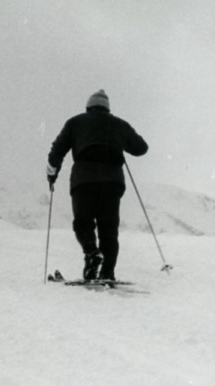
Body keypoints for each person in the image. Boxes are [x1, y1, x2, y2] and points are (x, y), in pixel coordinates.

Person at [47, 89, 150, 282]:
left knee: (83, 222)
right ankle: (107, 273)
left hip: (84, 181)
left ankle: (92, 253)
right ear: (108, 110)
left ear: (88, 108)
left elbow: (57, 150)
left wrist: (52, 174)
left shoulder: (75, 123)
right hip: (113, 182)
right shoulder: (120, 124)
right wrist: (119, 140)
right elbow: (141, 148)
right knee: (108, 229)